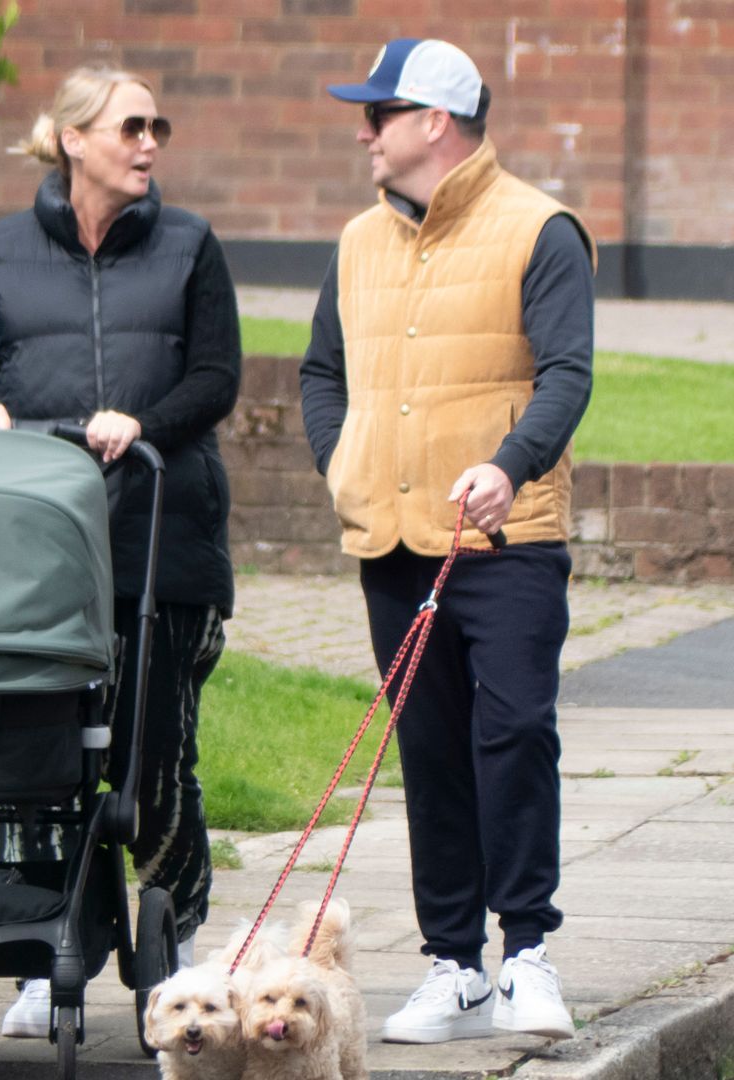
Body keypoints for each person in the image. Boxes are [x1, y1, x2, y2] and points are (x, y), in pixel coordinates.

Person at [0, 65, 241, 1038]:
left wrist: (142, 419)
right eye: (132, 126)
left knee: (153, 763)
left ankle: (172, 953)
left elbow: (219, 376)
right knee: (34, 758)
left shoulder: (190, 246)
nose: (151, 143)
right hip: (35, 561)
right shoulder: (4, 253)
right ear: (72, 141)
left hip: (160, 551)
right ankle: (40, 952)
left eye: (158, 127)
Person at [300, 38, 596, 1045]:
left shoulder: (540, 230)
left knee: (512, 735)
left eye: (378, 114)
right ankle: (454, 966)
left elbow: (566, 374)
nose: (363, 132)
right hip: (392, 541)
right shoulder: (355, 243)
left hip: (506, 543)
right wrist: (347, 461)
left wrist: (509, 465)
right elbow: (320, 374)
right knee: (427, 752)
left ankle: (529, 957)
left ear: (434, 121)